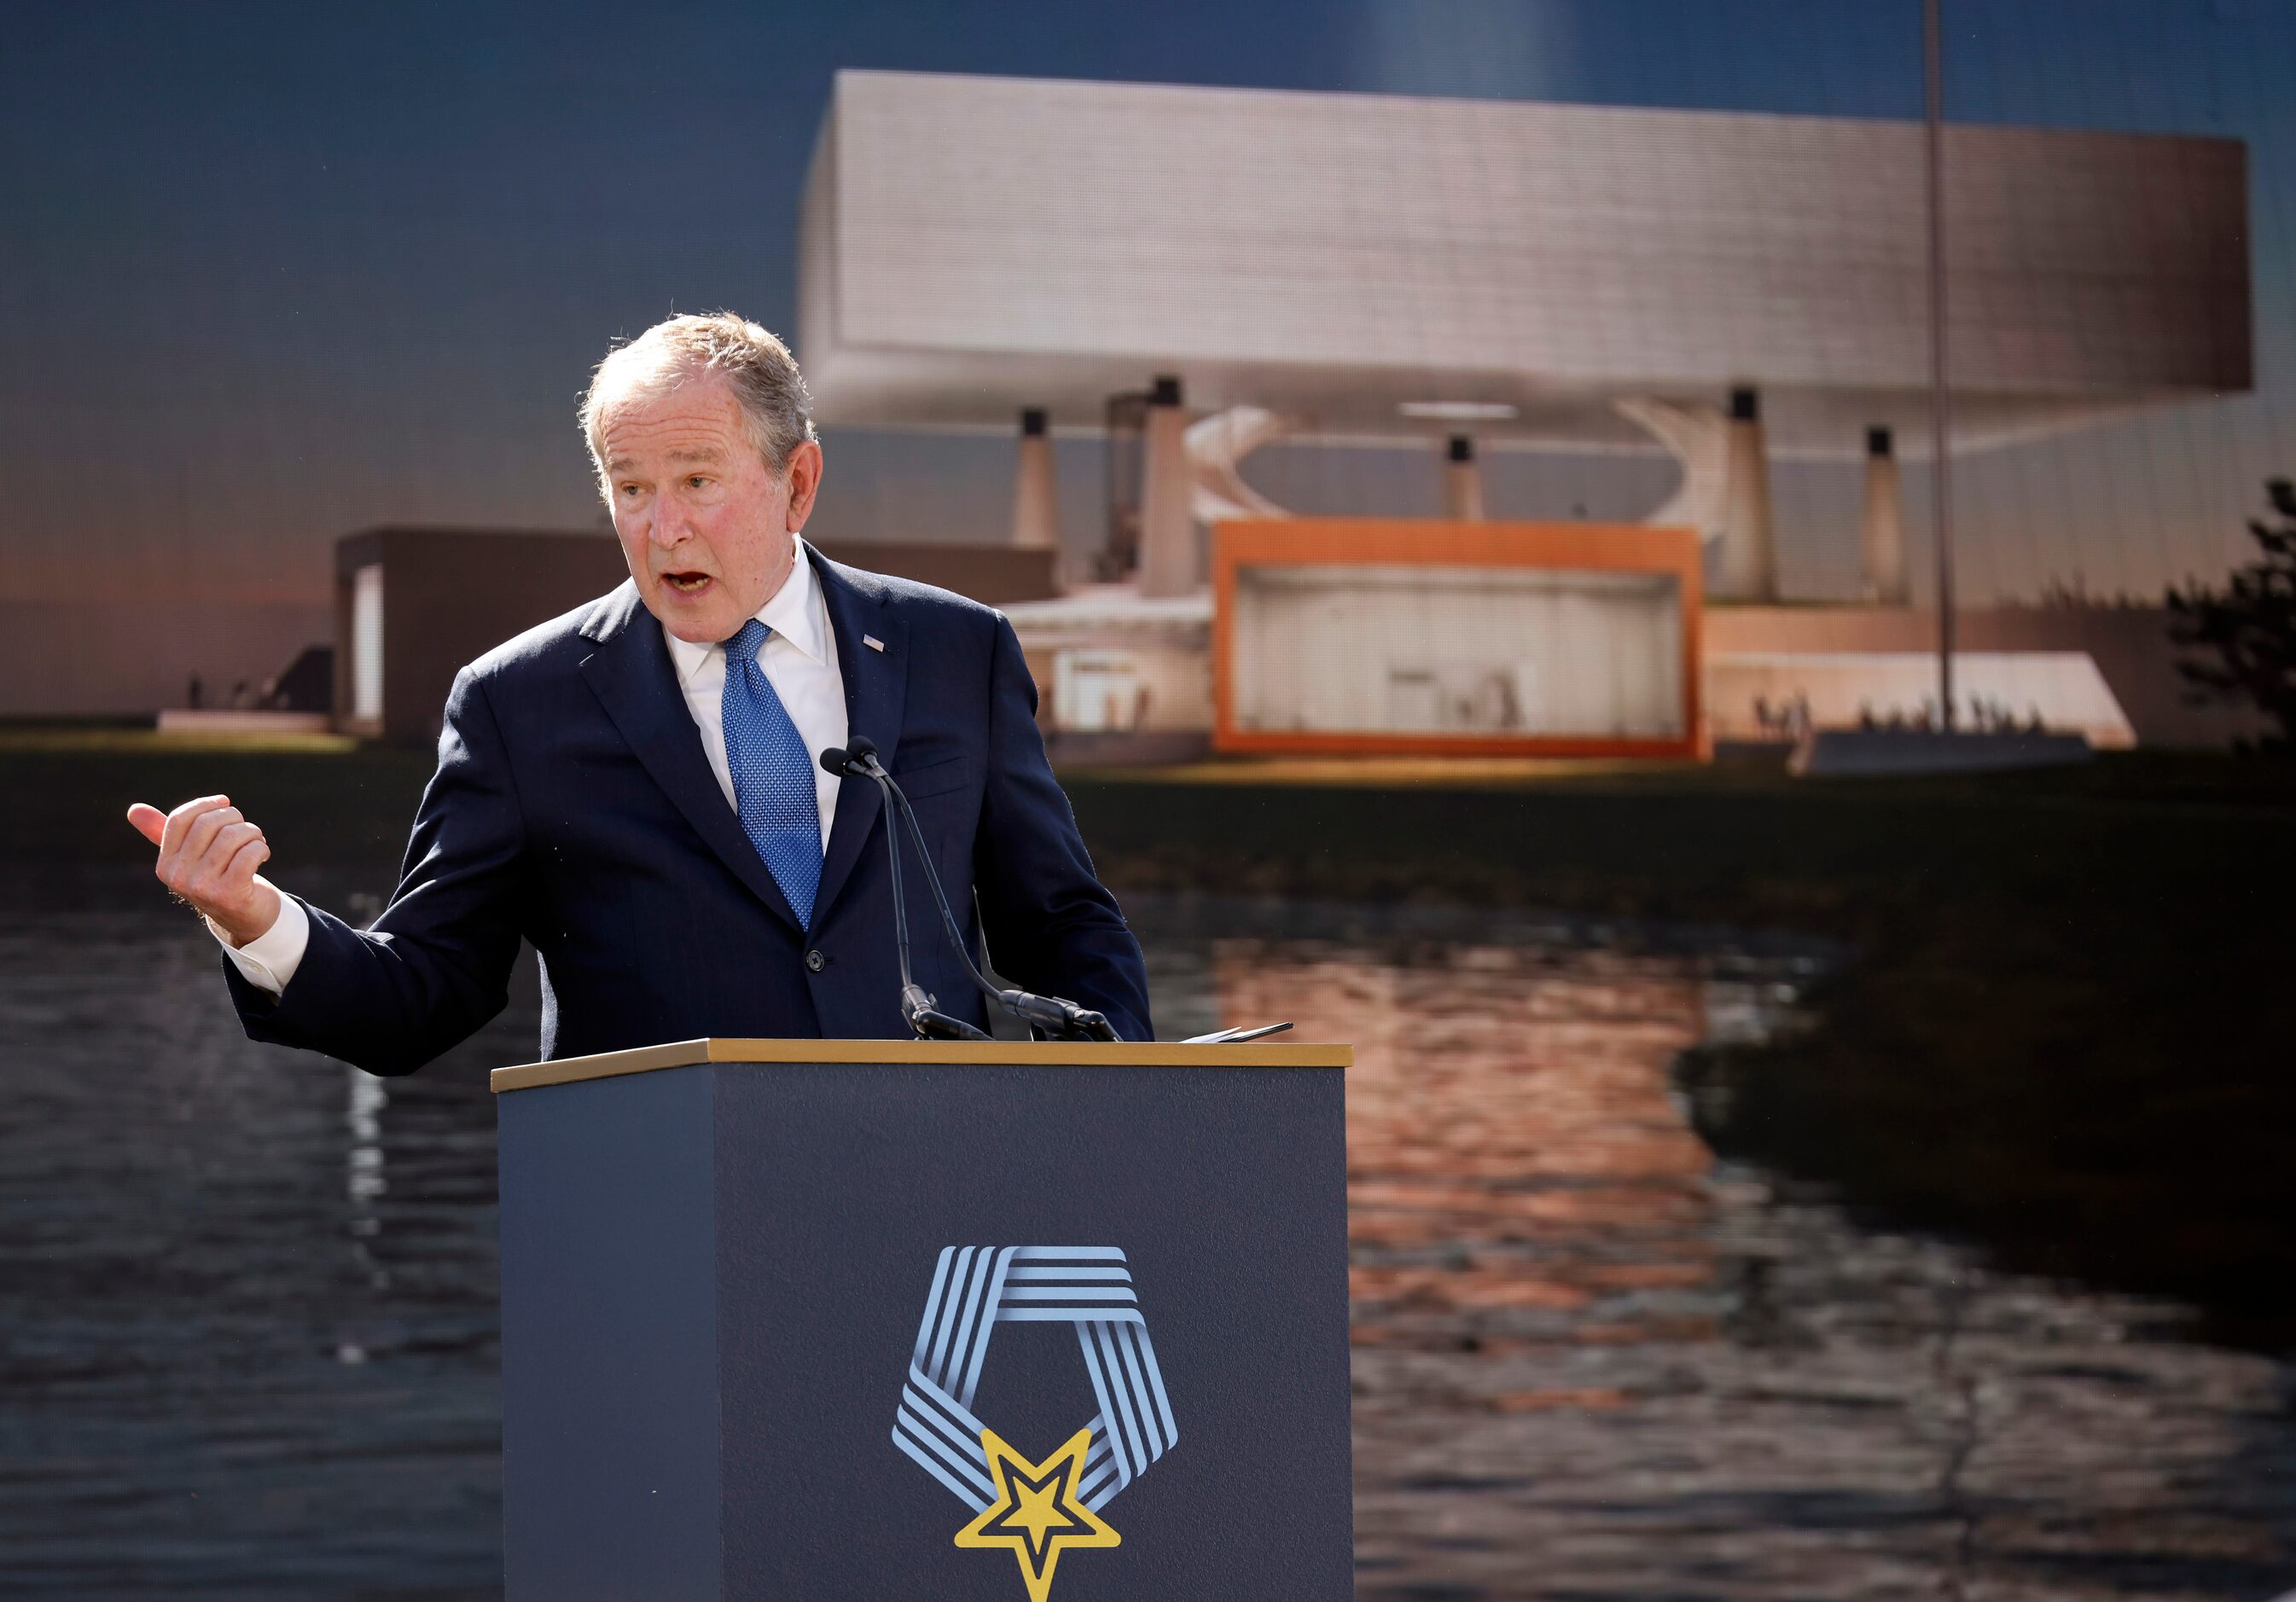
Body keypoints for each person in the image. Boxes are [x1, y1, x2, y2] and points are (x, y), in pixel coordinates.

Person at [127, 313, 1152, 1073]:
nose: (661, 528)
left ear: (797, 483)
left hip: (939, 1218)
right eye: (629, 486)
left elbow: (1061, 923)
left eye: (697, 480)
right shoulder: (518, 705)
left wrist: (1119, 1099)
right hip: (661, 1234)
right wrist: (256, 919)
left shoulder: (954, 650)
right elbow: (423, 994)